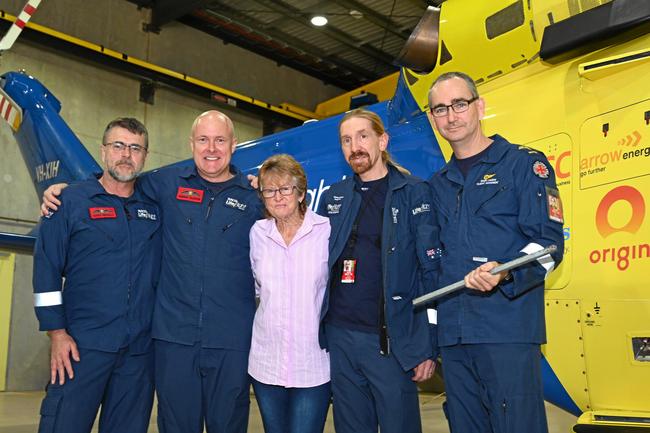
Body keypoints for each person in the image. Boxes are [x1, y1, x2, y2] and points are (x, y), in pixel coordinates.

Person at [41, 110, 263, 433]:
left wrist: (259, 184)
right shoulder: (163, 184)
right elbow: (117, 181)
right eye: (203, 139)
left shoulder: (254, 199)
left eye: (219, 140)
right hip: (130, 342)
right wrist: (64, 190)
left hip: (189, 345)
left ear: (234, 145)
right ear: (191, 144)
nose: (211, 148)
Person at [426, 71, 565, 433]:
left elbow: (550, 246)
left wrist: (506, 270)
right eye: (440, 109)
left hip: (507, 330)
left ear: (479, 107)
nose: (451, 116)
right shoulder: (437, 185)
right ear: (432, 118)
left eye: (459, 104)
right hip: (454, 337)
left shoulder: (523, 165)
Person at [317, 108, 442, 433]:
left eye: (362, 136)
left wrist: (427, 345)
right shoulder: (335, 197)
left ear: (382, 140)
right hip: (340, 338)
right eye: (346, 140)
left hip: (389, 341)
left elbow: (432, 273)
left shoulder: (414, 193)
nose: (354, 146)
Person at [33, 118, 161, 433]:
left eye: (135, 148)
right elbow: (45, 272)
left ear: (144, 156)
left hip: (138, 353)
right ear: (103, 151)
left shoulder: (156, 208)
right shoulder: (68, 202)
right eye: (118, 146)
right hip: (80, 346)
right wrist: (57, 334)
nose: (126, 155)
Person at [248, 154, 331, 433]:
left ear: (300, 192)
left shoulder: (325, 231)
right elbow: (257, 289)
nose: (278, 197)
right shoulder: (258, 234)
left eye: (286, 188)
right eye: (270, 190)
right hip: (266, 364)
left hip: (312, 365)